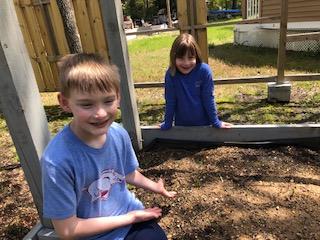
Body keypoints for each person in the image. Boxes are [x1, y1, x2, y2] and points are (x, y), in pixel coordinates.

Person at [41, 53, 176, 240]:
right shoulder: (57, 160)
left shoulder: (118, 133)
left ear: (118, 97)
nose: (101, 113)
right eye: (87, 104)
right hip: (92, 234)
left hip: (128, 214)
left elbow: (127, 173)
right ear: (65, 103)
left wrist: (155, 187)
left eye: (108, 101)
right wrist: (130, 218)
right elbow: (67, 230)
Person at [160, 33, 232, 130]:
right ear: (173, 57)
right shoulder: (171, 74)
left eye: (190, 58)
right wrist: (167, 124)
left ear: (196, 56)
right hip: (181, 126)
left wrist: (215, 122)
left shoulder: (204, 71)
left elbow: (208, 98)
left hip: (205, 125)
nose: (186, 63)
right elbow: (170, 101)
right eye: (181, 58)